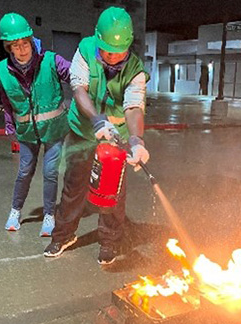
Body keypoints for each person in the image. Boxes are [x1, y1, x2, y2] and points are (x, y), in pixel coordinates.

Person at [44, 7, 150, 265]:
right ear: (98, 41)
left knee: (112, 191)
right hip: (83, 131)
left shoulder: (136, 70)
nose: (112, 57)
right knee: (74, 186)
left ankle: (110, 241)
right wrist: (97, 119)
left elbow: (134, 107)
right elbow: (79, 89)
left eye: (119, 52)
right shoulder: (85, 49)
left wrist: (136, 141)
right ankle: (64, 234)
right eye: (107, 51)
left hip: (116, 139)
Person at [0, 13, 71, 237]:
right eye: (15, 45)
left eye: (25, 43)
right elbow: (6, 101)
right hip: (27, 132)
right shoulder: (1, 71)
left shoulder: (51, 61)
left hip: (54, 129)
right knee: (24, 171)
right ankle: (15, 212)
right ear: (9, 47)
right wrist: (10, 126)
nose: (22, 49)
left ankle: (49, 215)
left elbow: (77, 78)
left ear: (31, 40)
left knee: (50, 172)